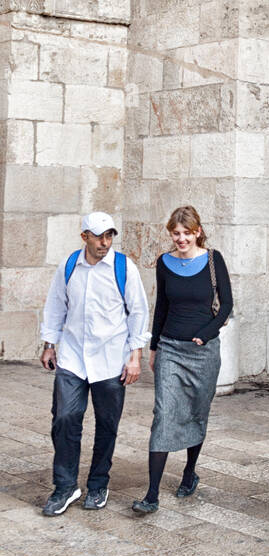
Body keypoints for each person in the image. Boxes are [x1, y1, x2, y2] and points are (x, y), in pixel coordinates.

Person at [39, 212, 150, 515]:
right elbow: (56, 305)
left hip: (111, 359)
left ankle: (98, 482)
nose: (105, 242)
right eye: (99, 236)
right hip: (73, 357)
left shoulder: (123, 267)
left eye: (110, 235)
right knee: (64, 418)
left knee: (107, 425)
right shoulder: (69, 266)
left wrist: (135, 357)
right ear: (84, 236)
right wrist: (49, 344)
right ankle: (65, 487)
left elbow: (138, 312)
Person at [132, 206, 232, 514]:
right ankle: (151, 495)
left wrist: (206, 333)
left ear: (197, 232)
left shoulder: (213, 260)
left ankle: (189, 473)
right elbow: (161, 304)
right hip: (171, 349)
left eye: (187, 233)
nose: (181, 239)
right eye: (176, 233)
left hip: (203, 352)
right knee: (163, 414)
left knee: (195, 412)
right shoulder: (164, 262)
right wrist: (153, 348)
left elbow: (227, 304)